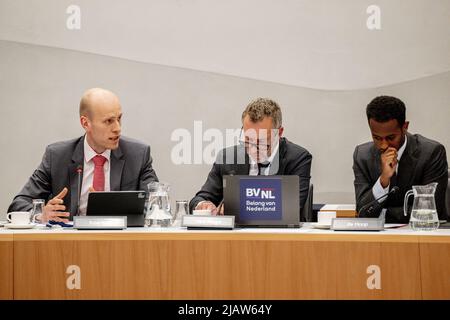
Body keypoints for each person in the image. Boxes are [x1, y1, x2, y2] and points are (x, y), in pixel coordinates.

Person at [8, 88, 158, 223]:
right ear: (85, 123)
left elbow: (156, 206)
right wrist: (40, 215)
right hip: (71, 246)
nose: (117, 128)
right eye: (109, 121)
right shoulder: (57, 156)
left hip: (120, 244)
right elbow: (19, 204)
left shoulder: (138, 155)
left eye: (119, 118)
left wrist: (111, 209)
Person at [189, 98, 312, 218]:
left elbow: (291, 208)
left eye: (262, 141)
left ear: (279, 133)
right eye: (248, 139)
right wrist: (203, 205)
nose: (254, 148)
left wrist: (239, 208)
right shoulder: (228, 158)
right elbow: (199, 199)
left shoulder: (298, 158)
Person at [353, 95, 448, 223]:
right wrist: (383, 180)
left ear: (405, 127)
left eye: (391, 138)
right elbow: (363, 210)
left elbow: (429, 211)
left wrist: (382, 214)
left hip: (422, 235)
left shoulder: (431, 153)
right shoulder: (362, 155)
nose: (384, 145)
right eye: (377, 138)